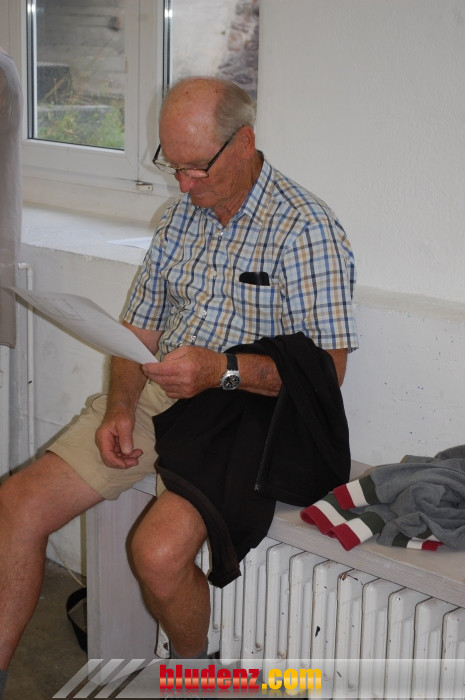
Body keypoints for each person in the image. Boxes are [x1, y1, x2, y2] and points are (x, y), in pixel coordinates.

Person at [0, 76, 358, 692]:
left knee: (158, 555)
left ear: (244, 142)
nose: (184, 185)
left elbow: (327, 374)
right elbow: (136, 333)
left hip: (243, 411)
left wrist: (219, 369)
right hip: (161, 388)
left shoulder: (305, 228)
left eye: (196, 168)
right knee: (17, 505)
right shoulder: (179, 219)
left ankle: (191, 677)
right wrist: (120, 406)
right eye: (173, 166)